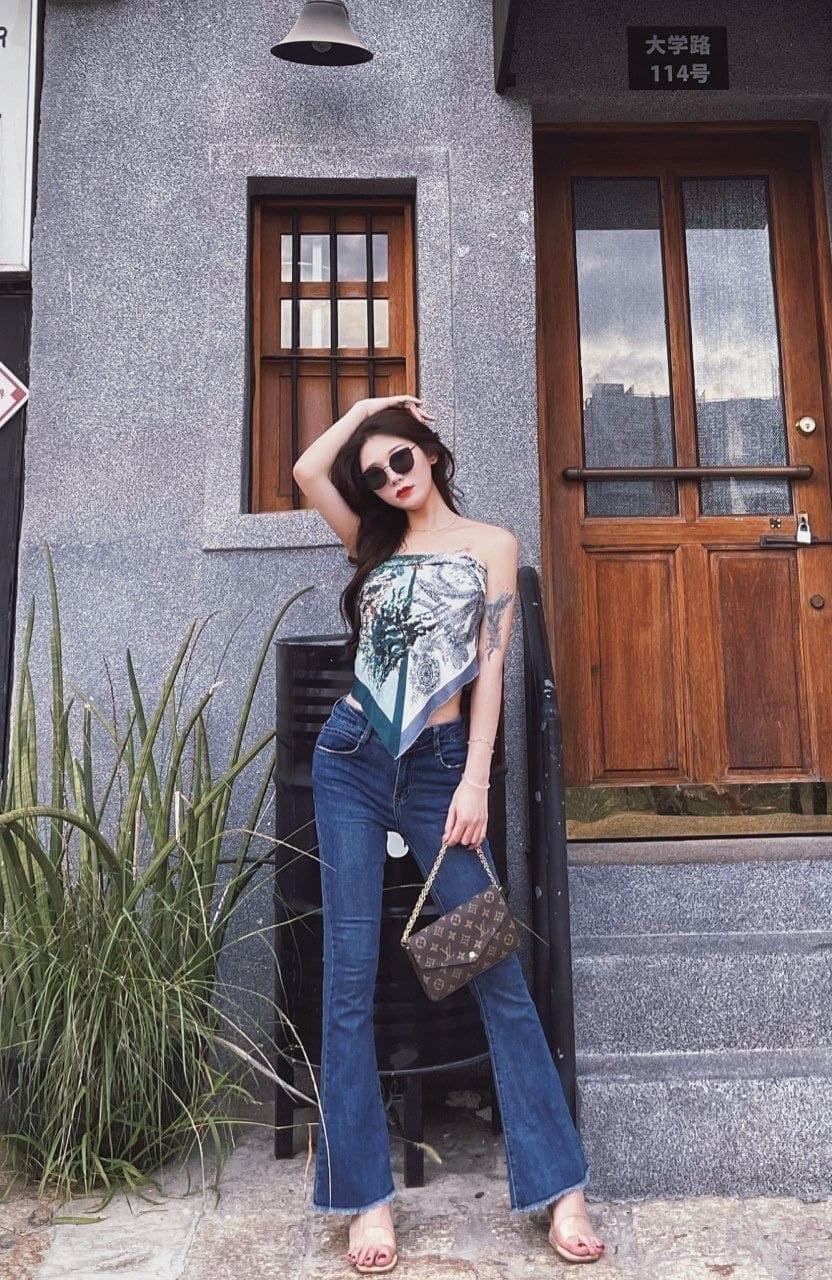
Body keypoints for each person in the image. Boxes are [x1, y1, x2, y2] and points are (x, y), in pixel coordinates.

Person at [293, 394, 607, 1274]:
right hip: (352, 759)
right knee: (348, 979)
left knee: (491, 969)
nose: (391, 479)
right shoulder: (372, 544)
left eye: (401, 458)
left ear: (430, 453)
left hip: (438, 772)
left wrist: (474, 778)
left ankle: (561, 1186)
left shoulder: (489, 544)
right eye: (375, 474)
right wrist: (366, 406)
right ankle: (364, 1199)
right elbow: (307, 471)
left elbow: (492, 667)